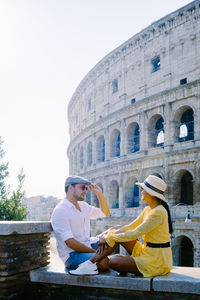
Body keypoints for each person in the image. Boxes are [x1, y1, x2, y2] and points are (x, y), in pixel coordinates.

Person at [69, 175, 173, 278]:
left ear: (151, 193)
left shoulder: (158, 212)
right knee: (118, 230)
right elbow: (130, 227)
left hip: (157, 260)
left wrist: (107, 238)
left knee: (113, 262)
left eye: (143, 188)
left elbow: (136, 233)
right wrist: (110, 234)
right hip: (146, 251)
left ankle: (90, 263)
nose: (141, 190)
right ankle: (90, 264)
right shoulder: (148, 209)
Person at [51, 175, 110, 274]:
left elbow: (105, 213)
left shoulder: (83, 206)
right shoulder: (61, 210)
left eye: (86, 188)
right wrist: (96, 254)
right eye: (82, 187)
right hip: (72, 256)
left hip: (88, 244)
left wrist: (99, 194)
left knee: (118, 231)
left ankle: (139, 262)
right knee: (104, 262)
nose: (85, 191)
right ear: (70, 188)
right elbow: (70, 243)